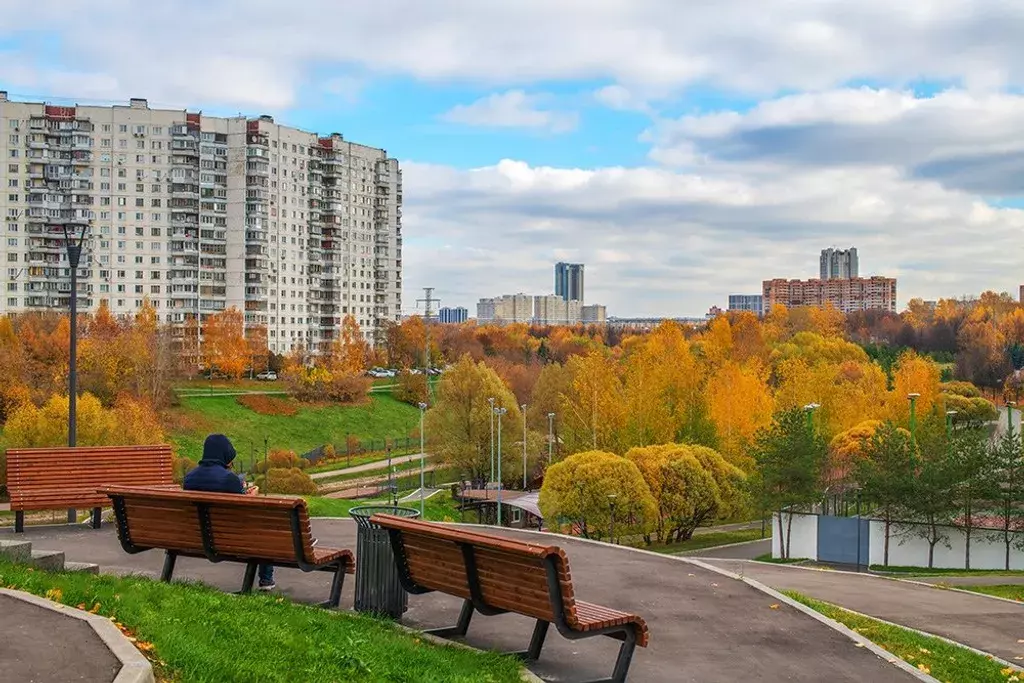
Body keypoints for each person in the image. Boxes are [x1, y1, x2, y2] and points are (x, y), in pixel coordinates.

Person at [183, 434, 276, 591]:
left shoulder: (189, 478)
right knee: (263, 529)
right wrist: (251, 495)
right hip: (231, 537)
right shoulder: (229, 479)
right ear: (224, 455)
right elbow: (243, 509)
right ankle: (266, 580)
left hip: (197, 536)